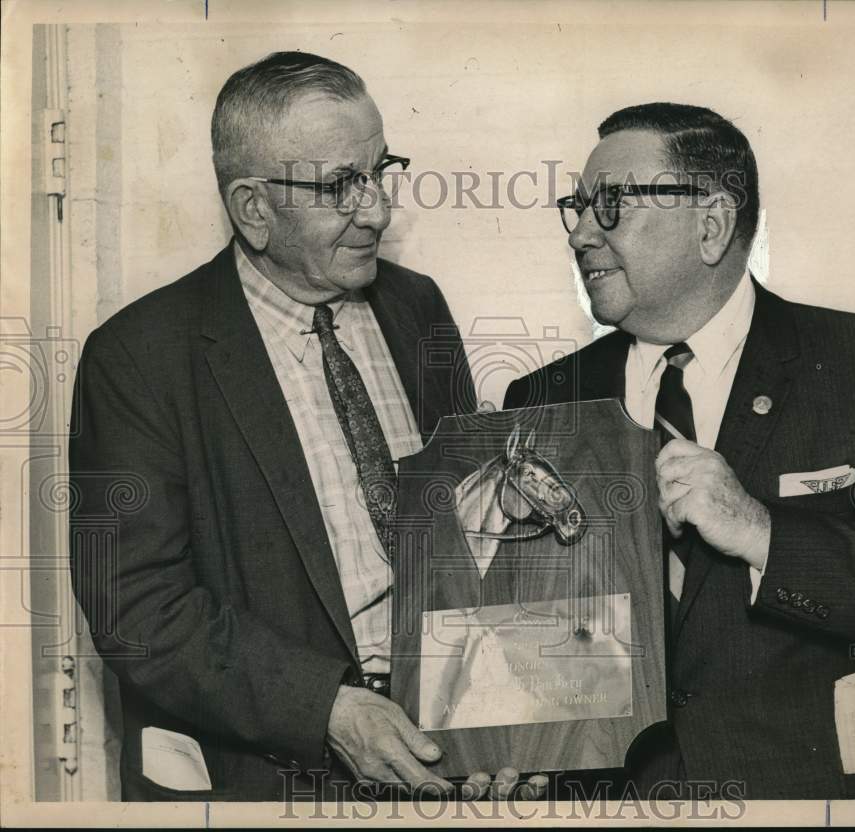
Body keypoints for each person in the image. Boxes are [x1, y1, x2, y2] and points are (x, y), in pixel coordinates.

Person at [69, 51, 546, 803]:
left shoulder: (417, 308)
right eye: (339, 187)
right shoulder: (139, 357)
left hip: (447, 758)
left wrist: (507, 716)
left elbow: (465, 543)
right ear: (253, 208)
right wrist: (329, 709)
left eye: (379, 171)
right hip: (267, 777)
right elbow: (137, 611)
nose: (378, 211)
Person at [503, 102, 855, 799]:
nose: (580, 233)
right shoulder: (541, 398)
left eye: (610, 205)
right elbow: (520, 639)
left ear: (712, 224)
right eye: (577, 207)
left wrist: (761, 532)